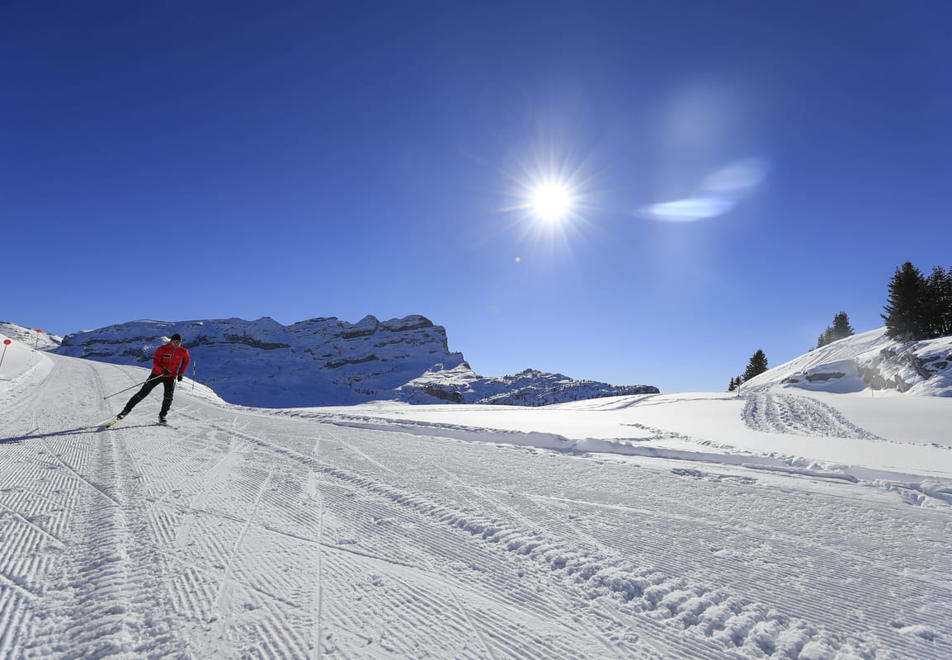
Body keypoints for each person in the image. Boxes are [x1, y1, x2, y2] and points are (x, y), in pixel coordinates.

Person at [117, 333, 190, 424]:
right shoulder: (162, 349)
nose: (176, 344)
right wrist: (162, 370)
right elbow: (155, 361)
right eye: (175, 341)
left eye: (179, 342)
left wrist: (180, 373)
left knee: (168, 397)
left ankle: (162, 416)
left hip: (170, 376)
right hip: (157, 374)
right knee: (143, 393)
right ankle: (125, 411)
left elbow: (186, 361)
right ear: (171, 341)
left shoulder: (184, 351)